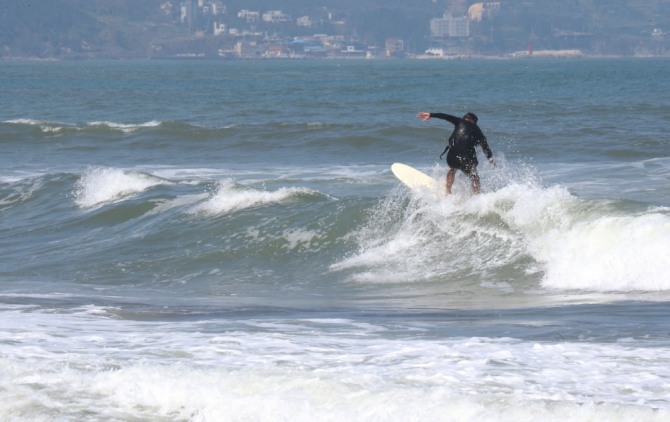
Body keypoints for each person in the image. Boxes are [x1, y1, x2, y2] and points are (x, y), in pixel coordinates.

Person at [417, 111, 494, 195]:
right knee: (475, 177)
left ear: (465, 118)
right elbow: (486, 149)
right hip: (465, 161)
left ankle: (447, 192)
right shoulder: (478, 131)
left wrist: (431, 115)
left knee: (452, 169)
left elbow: (446, 116)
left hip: (451, 159)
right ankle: (477, 195)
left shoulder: (459, 121)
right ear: (474, 121)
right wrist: (491, 160)